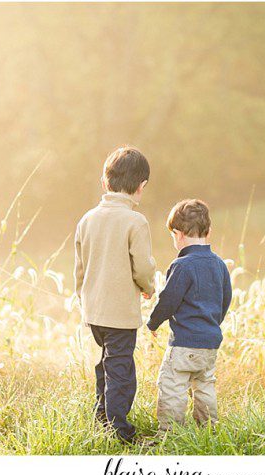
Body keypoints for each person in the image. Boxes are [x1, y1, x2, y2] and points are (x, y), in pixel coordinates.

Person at [73, 146, 156, 443]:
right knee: (121, 371)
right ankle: (120, 432)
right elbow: (143, 267)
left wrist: (84, 300)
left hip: (94, 311)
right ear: (141, 186)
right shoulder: (136, 221)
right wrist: (148, 288)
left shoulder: (87, 219)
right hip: (120, 313)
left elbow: (79, 269)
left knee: (107, 363)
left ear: (105, 182)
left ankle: (102, 417)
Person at [147, 199, 232, 431]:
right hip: (210, 342)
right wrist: (212, 323)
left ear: (178, 234)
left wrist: (153, 322)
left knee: (173, 385)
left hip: (184, 343)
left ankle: (170, 432)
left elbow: (169, 301)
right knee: (205, 384)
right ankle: (208, 428)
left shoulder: (182, 265)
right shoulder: (219, 265)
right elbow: (225, 299)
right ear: (208, 231)